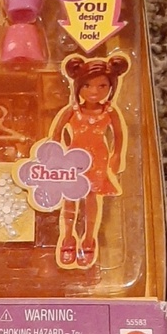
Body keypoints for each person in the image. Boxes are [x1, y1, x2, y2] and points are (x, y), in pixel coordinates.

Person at [49, 55, 129, 268]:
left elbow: (119, 136)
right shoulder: (72, 111)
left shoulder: (109, 112)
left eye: (102, 86)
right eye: (87, 85)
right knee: (70, 198)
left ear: (111, 87)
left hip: (98, 159)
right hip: (72, 158)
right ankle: (67, 236)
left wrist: (116, 155)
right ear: (78, 86)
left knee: (92, 198)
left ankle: (89, 238)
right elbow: (56, 133)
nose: (94, 91)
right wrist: (54, 155)